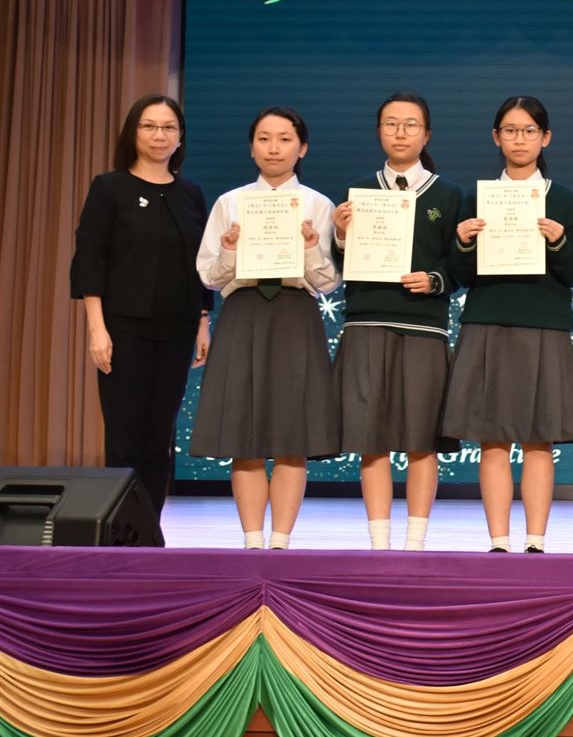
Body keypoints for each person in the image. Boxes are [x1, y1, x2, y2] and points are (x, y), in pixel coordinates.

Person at [446, 96, 573, 553]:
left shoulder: (561, 199)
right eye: (510, 130)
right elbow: (459, 276)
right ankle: (498, 542)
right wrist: (462, 242)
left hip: (543, 325)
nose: (519, 139)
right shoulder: (476, 198)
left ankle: (535, 542)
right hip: (488, 322)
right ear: (496, 137)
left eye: (529, 131)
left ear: (545, 138)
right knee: (493, 440)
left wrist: (560, 241)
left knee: (538, 440)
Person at [191, 107, 339, 549]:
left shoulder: (319, 205)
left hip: (296, 313)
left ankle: (280, 543)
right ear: (251, 147)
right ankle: (252, 542)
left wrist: (310, 248)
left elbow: (329, 281)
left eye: (285, 139)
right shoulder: (230, 203)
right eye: (264, 138)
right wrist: (230, 250)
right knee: (245, 433)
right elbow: (208, 276)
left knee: (293, 434)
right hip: (243, 312)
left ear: (302, 148)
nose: (274, 148)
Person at [69, 94, 213, 521]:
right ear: (133, 133)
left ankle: (149, 529)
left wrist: (203, 320)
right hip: (122, 328)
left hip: (177, 328)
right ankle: (119, 531)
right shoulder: (109, 187)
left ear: (180, 137)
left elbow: (200, 263)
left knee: (158, 436)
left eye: (169, 128)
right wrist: (97, 328)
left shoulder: (191, 194)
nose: (159, 135)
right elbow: (90, 258)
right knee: (125, 435)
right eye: (149, 126)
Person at [331, 93, 464, 551]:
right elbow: (338, 266)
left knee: (423, 439)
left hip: (425, 327)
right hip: (367, 323)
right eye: (391, 123)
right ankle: (379, 543)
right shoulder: (358, 193)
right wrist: (341, 234)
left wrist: (435, 279)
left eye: (411, 124)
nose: (401, 132)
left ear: (426, 135)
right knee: (372, 438)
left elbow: (460, 265)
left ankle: (415, 542)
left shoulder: (449, 195)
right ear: (379, 132)